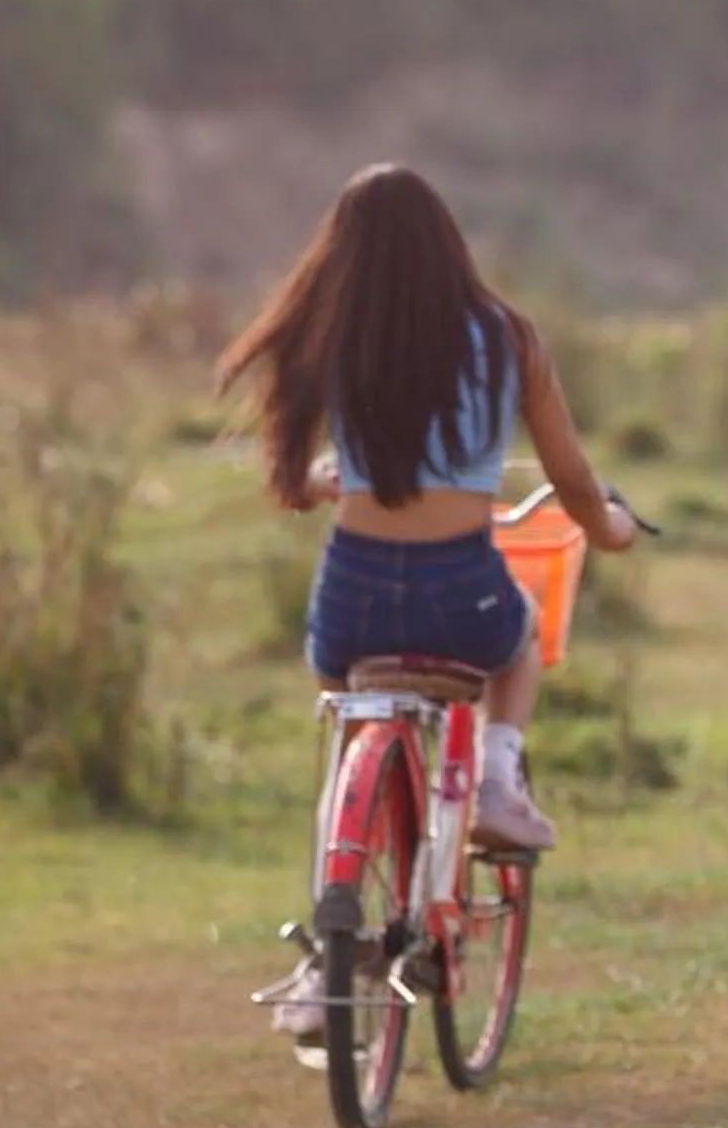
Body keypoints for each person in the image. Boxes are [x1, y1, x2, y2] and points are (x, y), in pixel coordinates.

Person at [215, 163, 638, 1039]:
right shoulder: (507, 338)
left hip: (353, 601)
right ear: (450, 245)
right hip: (460, 592)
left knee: (348, 718)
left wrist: (338, 479)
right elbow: (571, 479)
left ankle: (338, 904)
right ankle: (494, 775)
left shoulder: (334, 337)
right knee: (516, 641)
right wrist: (612, 529)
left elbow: (291, 483)